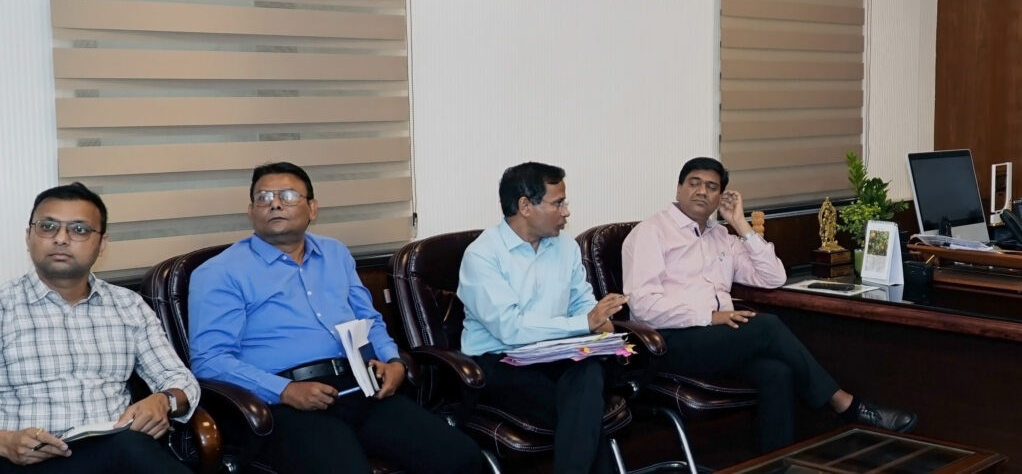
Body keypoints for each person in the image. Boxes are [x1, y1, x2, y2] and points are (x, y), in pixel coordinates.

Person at [188, 162, 482, 474]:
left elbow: (368, 319)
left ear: (312, 208)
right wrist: (284, 391)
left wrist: (392, 361)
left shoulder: (335, 253)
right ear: (251, 211)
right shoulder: (220, 272)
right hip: (283, 402)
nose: (274, 204)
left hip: (359, 385)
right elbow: (210, 360)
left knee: (462, 457)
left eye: (288, 196)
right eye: (263, 198)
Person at [622, 157, 917, 452]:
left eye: (711, 187)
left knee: (777, 372)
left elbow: (773, 277)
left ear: (719, 197)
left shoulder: (721, 236)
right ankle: (845, 404)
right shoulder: (651, 232)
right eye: (694, 183)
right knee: (766, 326)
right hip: (667, 343)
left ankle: (777, 464)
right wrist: (709, 316)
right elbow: (644, 306)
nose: (702, 191)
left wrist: (740, 224)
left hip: (715, 342)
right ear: (678, 189)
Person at [0, 183, 199, 473]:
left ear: (102, 244)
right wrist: (4, 441)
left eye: (79, 229)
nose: (61, 239)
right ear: (29, 236)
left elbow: (180, 380)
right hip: (26, 461)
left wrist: (164, 400)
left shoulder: (128, 306)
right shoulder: (4, 306)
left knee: (131, 448)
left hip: (115, 450)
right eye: (48, 227)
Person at [457, 162, 625, 473]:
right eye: (558, 203)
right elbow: (510, 328)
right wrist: (584, 323)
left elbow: (581, 302)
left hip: (556, 355)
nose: (566, 212)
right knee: (584, 403)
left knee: (588, 379)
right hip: (500, 361)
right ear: (525, 206)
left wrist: (601, 323)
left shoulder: (565, 247)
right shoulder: (482, 255)